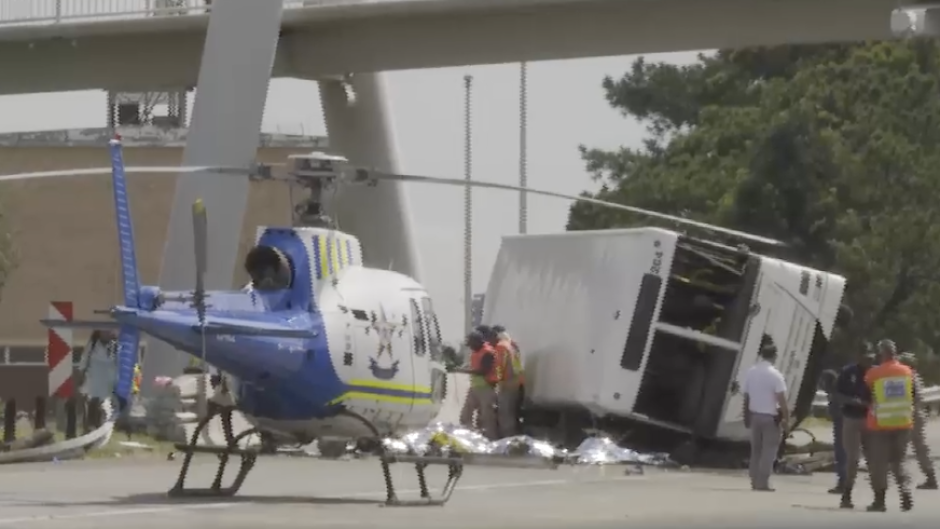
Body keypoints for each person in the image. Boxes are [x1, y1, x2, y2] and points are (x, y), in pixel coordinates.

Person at [864, 339, 915, 512]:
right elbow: (913, 394)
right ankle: (905, 492)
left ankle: (880, 501)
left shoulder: (874, 373)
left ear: (882, 353)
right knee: (899, 462)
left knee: (879, 464)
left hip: (881, 425)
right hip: (903, 423)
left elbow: (867, 391)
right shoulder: (907, 371)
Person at [743, 339, 789, 492]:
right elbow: (781, 399)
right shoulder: (776, 375)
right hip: (770, 418)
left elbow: (747, 397)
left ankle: (754, 480)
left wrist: (746, 416)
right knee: (769, 450)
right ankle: (763, 482)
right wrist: (786, 419)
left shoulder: (751, 372)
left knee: (755, 450)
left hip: (755, 416)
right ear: (774, 356)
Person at [834, 348, 875, 508]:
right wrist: (854, 401)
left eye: (871, 358)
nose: (869, 361)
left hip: (871, 420)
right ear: (859, 357)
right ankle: (846, 494)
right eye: (866, 357)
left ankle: (878, 498)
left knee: (874, 460)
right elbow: (837, 395)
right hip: (851, 418)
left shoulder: (876, 373)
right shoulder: (847, 372)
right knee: (853, 459)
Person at [898, 352, 937, 490]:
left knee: (903, 448)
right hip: (915, 414)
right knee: (918, 448)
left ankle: (907, 478)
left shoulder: (908, 376)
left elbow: (914, 398)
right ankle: (929, 477)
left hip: (911, 415)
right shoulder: (913, 376)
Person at [456, 330, 500, 439]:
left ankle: (491, 440)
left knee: (487, 418)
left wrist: (463, 371)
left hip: (486, 389)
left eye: (471, 344)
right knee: (465, 416)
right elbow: (474, 367)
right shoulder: (475, 352)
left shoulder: (488, 353)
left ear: (477, 341)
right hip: (475, 388)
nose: (470, 347)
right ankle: (470, 437)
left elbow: (483, 371)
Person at [492, 325, 524, 438]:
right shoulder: (513, 345)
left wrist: (497, 383)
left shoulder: (501, 347)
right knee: (512, 414)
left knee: (505, 414)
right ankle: (514, 438)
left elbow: (499, 367)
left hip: (508, 383)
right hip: (518, 383)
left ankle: (508, 441)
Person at [818, 369, 845, 494]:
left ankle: (843, 483)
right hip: (839, 425)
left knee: (842, 454)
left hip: (842, 426)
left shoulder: (836, 393)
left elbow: (839, 411)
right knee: (841, 455)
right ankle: (843, 482)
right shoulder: (834, 392)